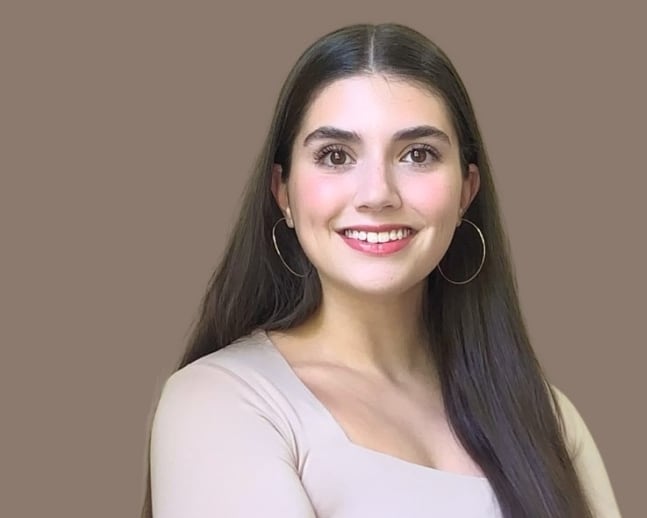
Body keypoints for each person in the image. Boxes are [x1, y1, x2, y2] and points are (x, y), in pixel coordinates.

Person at [140, 22, 621, 518]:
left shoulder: (545, 416)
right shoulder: (222, 403)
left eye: (417, 155)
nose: (377, 194)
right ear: (283, 192)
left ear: (466, 191)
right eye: (335, 155)